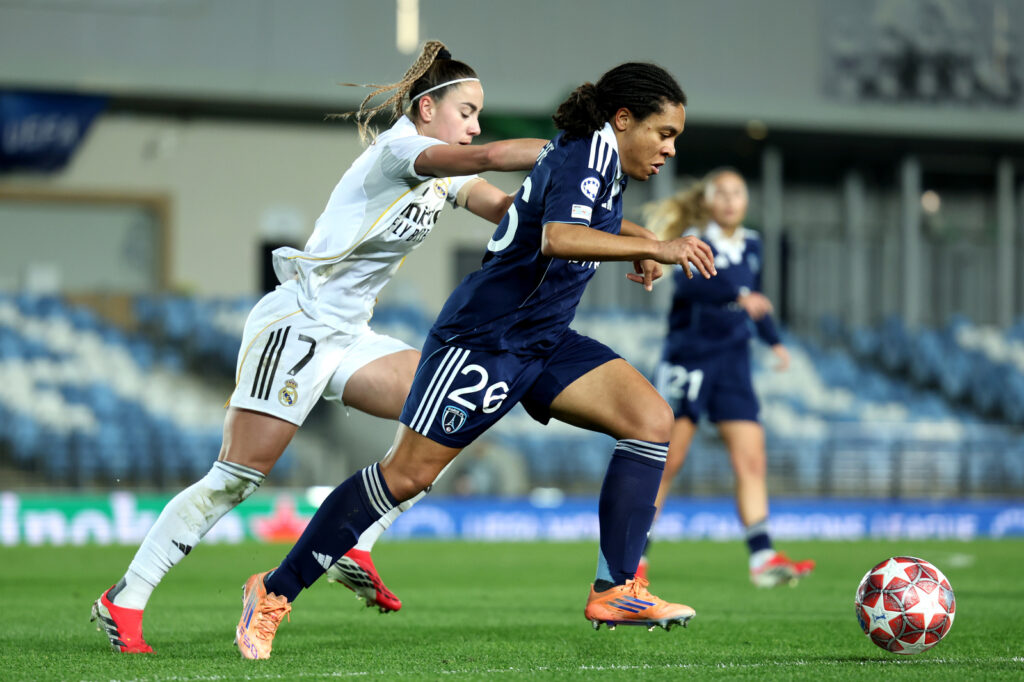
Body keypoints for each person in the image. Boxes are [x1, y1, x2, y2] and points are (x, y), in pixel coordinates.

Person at [235, 61, 720, 661]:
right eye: (664, 133)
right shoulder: (586, 153)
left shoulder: (598, 158)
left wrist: (637, 238)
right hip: (486, 339)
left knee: (649, 420)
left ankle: (616, 587)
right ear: (624, 119)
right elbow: (558, 237)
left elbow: (572, 216)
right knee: (405, 477)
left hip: (543, 338)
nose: (670, 148)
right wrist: (656, 246)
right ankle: (274, 590)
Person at [91, 40, 549, 654]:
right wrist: (567, 151)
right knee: (235, 480)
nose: (475, 125)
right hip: (299, 323)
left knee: (450, 410)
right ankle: (125, 597)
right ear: (426, 109)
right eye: (466, 112)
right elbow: (491, 156)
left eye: (477, 116)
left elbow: (510, 213)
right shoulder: (399, 151)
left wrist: (599, 222)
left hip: (350, 334)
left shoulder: (447, 174)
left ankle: (358, 542)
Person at [641, 168, 814, 587]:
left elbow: (755, 296)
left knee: (752, 459)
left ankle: (762, 558)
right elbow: (692, 288)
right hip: (690, 358)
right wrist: (737, 294)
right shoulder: (692, 239)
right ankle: (633, 556)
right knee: (668, 461)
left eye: (738, 192)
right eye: (723, 193)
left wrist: (773, 341)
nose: (731, 200)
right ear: (707, 200)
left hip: (733, 362)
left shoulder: (752, 243)